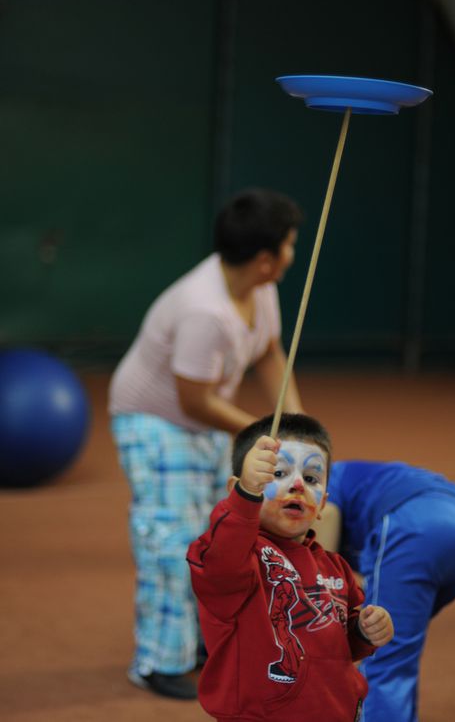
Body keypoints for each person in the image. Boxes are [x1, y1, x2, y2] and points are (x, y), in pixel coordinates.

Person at [109, 188, 305, 700]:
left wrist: (298, 420)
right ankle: (156, 662)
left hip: (202, 421)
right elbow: (193, 400)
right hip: (154, 422)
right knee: (171, 541)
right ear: (266, 259)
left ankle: (198, 642)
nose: (292, 252)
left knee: (217, 536)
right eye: (288, 245)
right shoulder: (205, 310)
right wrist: (261, 434)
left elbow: (268, 353)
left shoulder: (261, 286)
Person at [187, 413, 394, 722]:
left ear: (322, 503)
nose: (297, 484)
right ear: (240, 488)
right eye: (279, 473)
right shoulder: (239, 556)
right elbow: (222, 564)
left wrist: (365, 631)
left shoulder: (335, 567)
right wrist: (246, 496)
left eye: (311, 479)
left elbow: (342, 648)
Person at [315, 459, 455, 722]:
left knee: (384, 657)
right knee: (397, 653)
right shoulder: (337, 476)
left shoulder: (319, 480)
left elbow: (316, 577)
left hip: (417, 524)